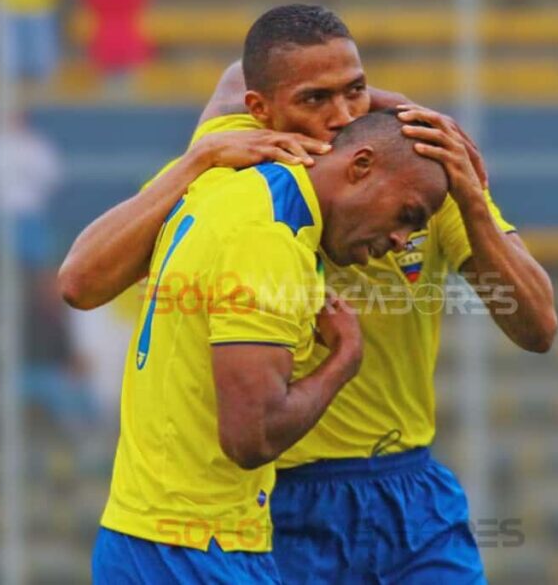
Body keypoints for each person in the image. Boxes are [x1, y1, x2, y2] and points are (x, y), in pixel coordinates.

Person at [60, 3, 557, 583]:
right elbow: (83, 279)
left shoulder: (417, 169)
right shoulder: (244, 161)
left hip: (407, 491)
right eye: (315, 100)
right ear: (262, 110)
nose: (342, 116)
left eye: (356, 92)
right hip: (283, 498)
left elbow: (538, 326)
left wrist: (469, 199)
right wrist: (197, 159)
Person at [87, 111, 451, 582]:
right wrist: (343, 359)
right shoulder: (269, 238)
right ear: (361, 164)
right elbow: (251, 436)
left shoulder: (223, 186)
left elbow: (78, 281)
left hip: (139, 529)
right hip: (198, 547)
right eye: (406, 216)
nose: (402, 241)